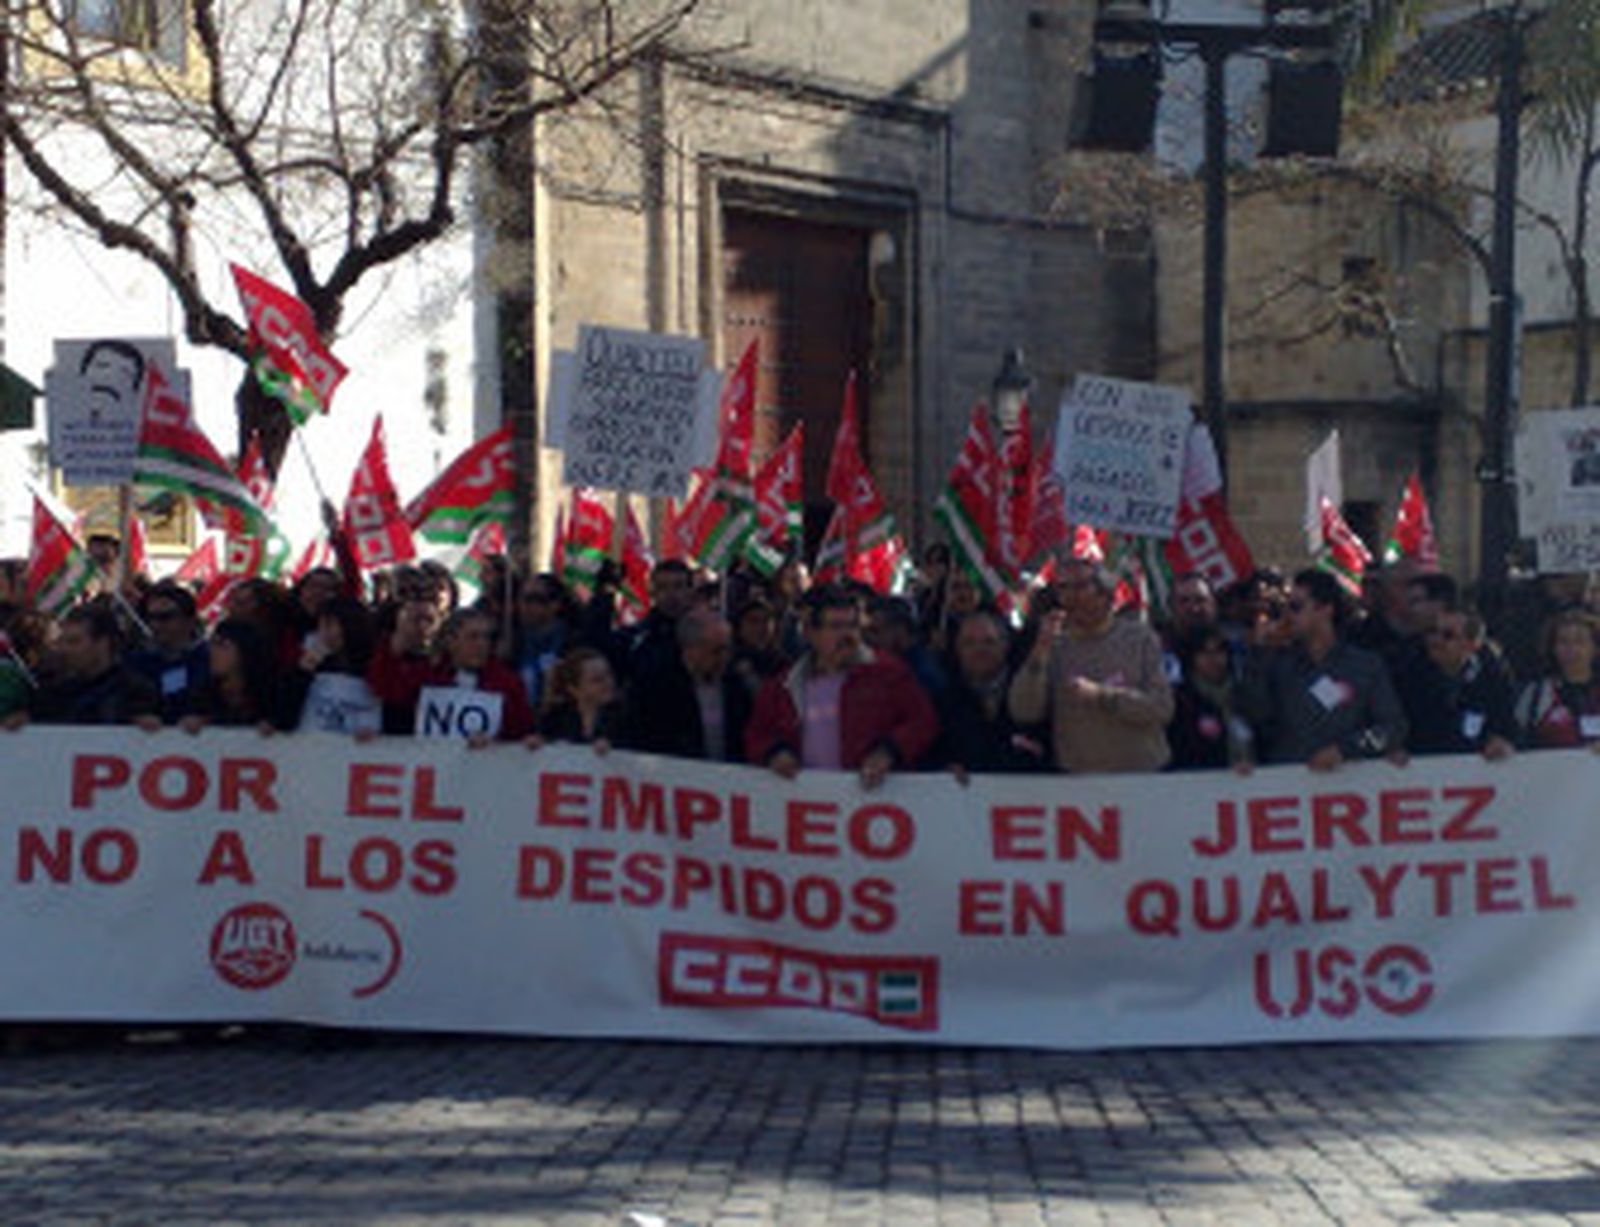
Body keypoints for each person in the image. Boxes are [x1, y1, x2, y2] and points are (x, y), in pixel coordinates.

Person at [745, 585, 938, 789]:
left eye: (852, 626)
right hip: (807, 800)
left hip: (870, 798)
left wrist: (889, 752)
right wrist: (775, 752)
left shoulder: (888, 673)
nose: (847, 635)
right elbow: (757, 734)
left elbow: (922, 721)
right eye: (836, 627)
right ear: (811, 633)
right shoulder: (785, 685)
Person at [1008, 557, 1173, 774]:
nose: (1070, 597)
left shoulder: (1140, 639)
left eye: (1080, 587)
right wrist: (1040, 651)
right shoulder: (1052, 645)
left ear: (1105, 594)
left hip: (1141, 775)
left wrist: (1101, 696)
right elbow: (1024, 711)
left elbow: (1161, 708)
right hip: (1081, 784)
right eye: (1063, 588)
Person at [1239, 568, 1408, 770]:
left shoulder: (1365, 665)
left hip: (1351, 783)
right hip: (1290, 785)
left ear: (1326, 609)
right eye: (1284, 608)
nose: (1287, 617)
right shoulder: (1277, 664)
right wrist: (1259, 654)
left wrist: (1346, 749)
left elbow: (1391, 729)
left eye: (1296, 607)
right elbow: (1254, 716)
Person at [933, 610, 1047, 778]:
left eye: (989, 642)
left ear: (1005, 645)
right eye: (969, 643)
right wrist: (943, 767)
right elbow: (932, 751)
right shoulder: (942, 700)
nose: (979, 650)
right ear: (957, 649)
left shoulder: (1032, 689)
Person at [628, 608, 751, 761]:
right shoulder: (655, 687)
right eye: (716, 651)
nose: (724, 658)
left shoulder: (736, 687)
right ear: (691, 650)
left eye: (728, 649)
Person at [1396, 606, 1516, 760]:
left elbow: (1508, 728)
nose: (1436, 640)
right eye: (1432, 631)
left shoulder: (1495, 679)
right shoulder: (1409, 677)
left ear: (1472, 644)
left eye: (1448, 635)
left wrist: (1500, 743)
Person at [26, 604, 160, 728]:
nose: (64, 650)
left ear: (103, 643)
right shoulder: (53, 692)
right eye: (62, 642)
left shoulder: (136, 691)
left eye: (74, 642)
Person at [286, 596, 382, 735]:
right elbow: (286, 711)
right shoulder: (309, 664)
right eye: (320, 626)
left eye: (329, 625)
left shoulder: (373, 665)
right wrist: (301, 674)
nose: (323, 632)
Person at [1167, 624, 1253, 771]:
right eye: (1204, 653)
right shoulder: (1180, 701)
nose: (1213, 659)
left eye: (1219, 652)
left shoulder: (1245, 696)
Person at [126, 582, 210, 725]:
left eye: (165, 617)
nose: (156, 625)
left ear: (189, 620)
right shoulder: (135, 662)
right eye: (150, 617)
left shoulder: (211, 660)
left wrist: (207, 719)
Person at [1515, 609, 1600, 748]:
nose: (1571, 649)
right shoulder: (1537, 694)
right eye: (1563, 641)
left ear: (1595, 648)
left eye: (1579, 641)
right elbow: (1516, 739)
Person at [187, 618, 289, 732]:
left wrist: (272, 724)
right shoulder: (202, 693)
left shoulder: (273, 694)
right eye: (212, 644)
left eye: (222, 645)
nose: (212, 651)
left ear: (245, 651)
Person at [537, 646, 625, 748]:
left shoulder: (625, 716)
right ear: (574, 690)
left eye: (609, 674)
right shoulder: (556, 716)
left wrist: (612, 747)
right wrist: (535, 743)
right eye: (597, 680)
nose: (608, 683)